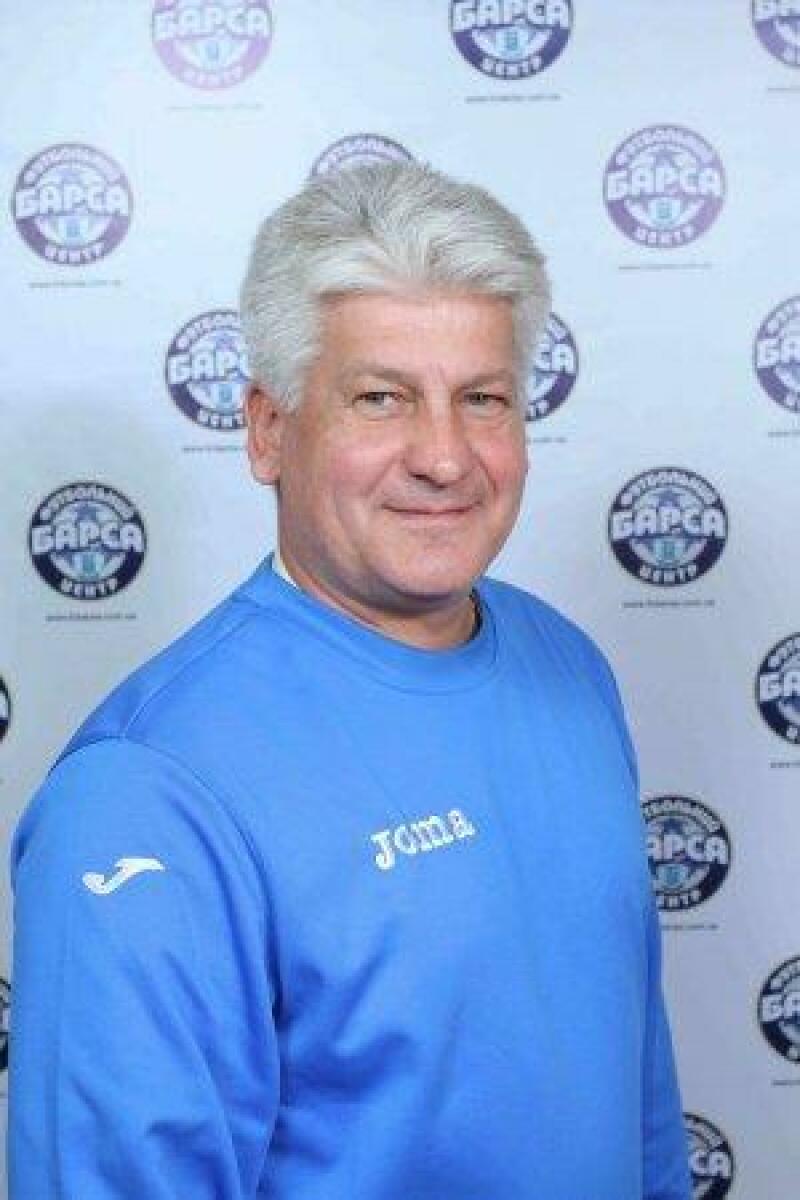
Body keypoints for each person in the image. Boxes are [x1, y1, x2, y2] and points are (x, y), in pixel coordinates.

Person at [9, 162, 691, 1199]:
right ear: (268, 430)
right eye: (381, 398)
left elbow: (634, 1103)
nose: (444, 457)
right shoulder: (145, 790)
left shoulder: (568, 668)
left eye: (482, 399)